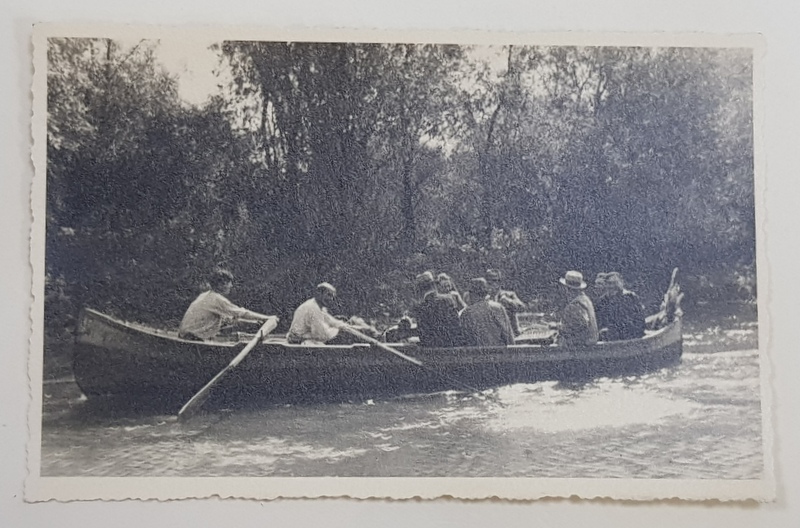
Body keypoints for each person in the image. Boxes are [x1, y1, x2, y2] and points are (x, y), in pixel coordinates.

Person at [178, 269, 274, 341]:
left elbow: (227, 319)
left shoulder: (205, 295)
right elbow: (242, 313)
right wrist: (267, 318)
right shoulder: (217, 299)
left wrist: (252, 322)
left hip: (183, 335)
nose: (231, 286)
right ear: (221, 284)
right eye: (229, 283)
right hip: (192, 338)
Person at [287, 283, 377, 345]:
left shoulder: (318, 306)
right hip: (300, 342)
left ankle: (371, 336)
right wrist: (338, 330)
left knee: (346, 330)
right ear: (318, 294)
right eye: (328, 295)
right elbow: (321, 335)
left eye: (332, 297)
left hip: (308, 337)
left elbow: (331, 320)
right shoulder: (313, 308)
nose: (331, 299)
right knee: (343, 335)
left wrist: (346, 326)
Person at [411, 271, 463, 347]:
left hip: (432, 351)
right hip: (452, 348)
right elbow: (457, 327)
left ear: (419, 291)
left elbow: (423, 336)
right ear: (434, 285)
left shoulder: (420, 307)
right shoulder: (449, 300)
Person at [459, 278, 515, 347]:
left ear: (471, 293)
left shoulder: (467, 313)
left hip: (478, 355)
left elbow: (464, 339)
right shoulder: (498, 307)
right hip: (500, 353)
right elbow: (509, 336)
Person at [594, 272, 646, 341]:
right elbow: (598, 320)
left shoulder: (630, 298)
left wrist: (612, 331)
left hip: (630, 336)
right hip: (609, 337)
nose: (611, 286)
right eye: (609, 283)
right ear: (606, 285)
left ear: (621, 284)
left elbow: (639, 322)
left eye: (614, 283)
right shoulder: (603, 300)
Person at [555, 270, 599, 346]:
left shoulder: (575, 304)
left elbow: (580, 325)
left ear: (567, 289)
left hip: (580, 345)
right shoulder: (585, 299)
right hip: (589, 341)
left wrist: (559, 327)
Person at [486, 268, 526, 335]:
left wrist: (509, 301)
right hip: (493, 335)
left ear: (499, 282)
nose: (492, 284)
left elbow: (522, 308)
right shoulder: (484, 298)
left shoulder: (509, 295)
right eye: (488, 281)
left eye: (494, 280)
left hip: (511, 334)